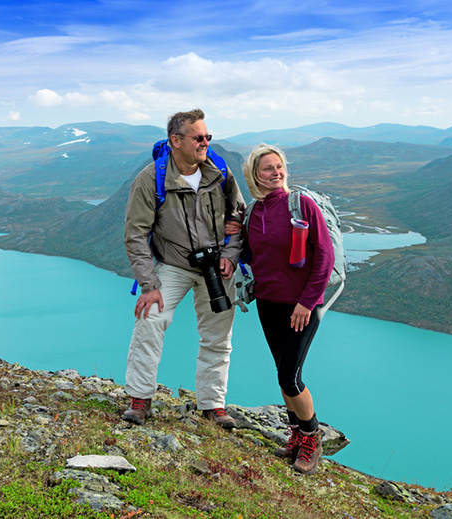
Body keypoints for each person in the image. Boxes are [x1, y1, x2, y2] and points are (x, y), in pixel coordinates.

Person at [122, 109, 245, 430]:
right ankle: (139, 398)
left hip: (216, 265)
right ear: (175, 141)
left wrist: (231, 255)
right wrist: (149, 285)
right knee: (149, 321)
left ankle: (213, 405)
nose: (205, 143)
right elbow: (135, 233)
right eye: (198, 138)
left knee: (218, 336)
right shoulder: (152, 179)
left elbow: (239, 216)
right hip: (173, 265)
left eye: (208, 137)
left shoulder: (219, 171)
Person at [238, 143, 334, 474]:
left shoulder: (302, 205)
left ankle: (311, 437)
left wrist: (307, 302)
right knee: (283, 372)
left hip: (301, 305)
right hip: (268, 302)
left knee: (289, 376)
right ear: (255, 175)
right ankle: (295, 435)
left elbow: (325, 257)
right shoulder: (252, 212)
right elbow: (251, 256)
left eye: (279, 166)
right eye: (268, 168)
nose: (276, 172)